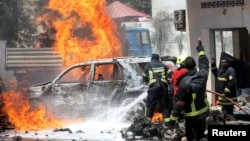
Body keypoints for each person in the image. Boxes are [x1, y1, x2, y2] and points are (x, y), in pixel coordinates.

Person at [166, 38, 210, 141]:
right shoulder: (202, 74)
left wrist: (172, 120)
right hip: (203, 113)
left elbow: (179, 104)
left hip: (192, 116)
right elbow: (204, 63)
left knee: (191, 137)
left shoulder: (184, 83)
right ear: (195, 65)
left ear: (185, 66)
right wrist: (200, 48)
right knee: (201, 135)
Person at [143, 53, 172, 124]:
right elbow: (170, 73)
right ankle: (168, 123)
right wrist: (167, 79)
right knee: (165, 105)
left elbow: (144, 78)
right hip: (163, 87)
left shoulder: (148, 66)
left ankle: (147, 123)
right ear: (158, 58)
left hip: (153, 88)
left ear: (152, 58)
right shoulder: (163, 65)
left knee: (150, 105)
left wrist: (148, 82)